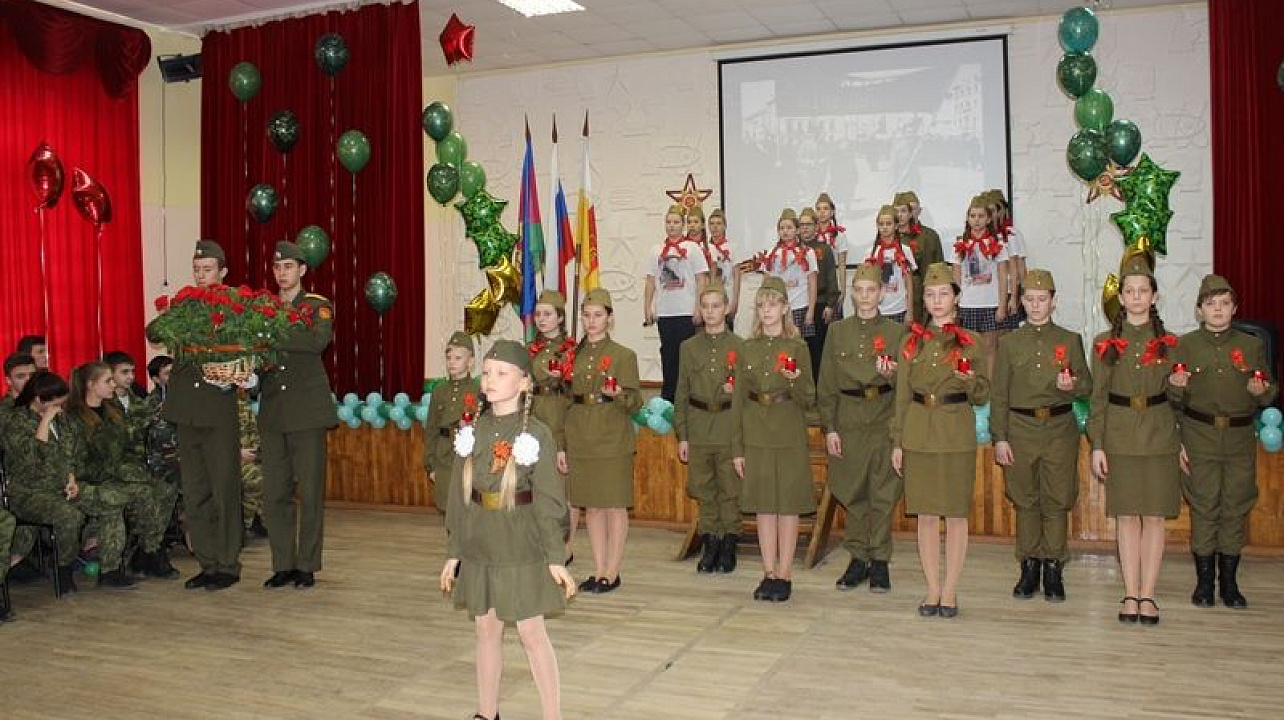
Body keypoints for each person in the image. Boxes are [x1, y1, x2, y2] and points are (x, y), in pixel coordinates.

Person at [439, 340, 574, 720]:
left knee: (532, 633)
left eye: (502, 373)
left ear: (524, 383)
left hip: (520, 544)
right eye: (486, 372)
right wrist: (454, 551)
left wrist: (555, 557)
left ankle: (552, 716)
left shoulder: (537, 434)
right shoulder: (472, 431)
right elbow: (460, 497)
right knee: (486, 630)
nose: (491, 379)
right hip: (481, 542)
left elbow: (548, 501)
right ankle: (487, 712)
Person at [1169, 274, 1277, 609]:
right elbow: (1172, 400)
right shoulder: (1185, 345)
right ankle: (1204, 583)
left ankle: (1229, 583)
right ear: (1199, 310)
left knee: (1235, 506)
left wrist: (1261, 392)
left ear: (1235, 308)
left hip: (1239, 438)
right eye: (1210, 304)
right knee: (1204, 507)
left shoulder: (1251, 345)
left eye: (1224, 303)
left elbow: (1269, 391)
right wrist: (1176, 389)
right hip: (1198, 435)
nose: (1218, 309)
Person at [891, 262, 989, 618]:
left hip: (955, 431)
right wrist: (898, 441)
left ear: (956, 298)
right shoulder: (911, 342)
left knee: (956, 514)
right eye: (930, 295)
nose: (936, 300)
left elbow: (982, 394)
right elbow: (902, 396)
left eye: (943, 294)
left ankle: (950, 589)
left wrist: (968, 379)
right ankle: (932, 587)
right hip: (919, 432)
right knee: (926, 515)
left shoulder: (972, 342)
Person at [146, 239, 245, 591]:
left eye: (208, 270)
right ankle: (207, 561)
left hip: (217, 410)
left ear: (223, 272)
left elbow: (244, 348)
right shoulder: (186, 303)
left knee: (224, 491)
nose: (201, 275)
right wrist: (171, 313)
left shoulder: (234, 307)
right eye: (197, 269)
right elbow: (153, 334)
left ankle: (228, 564)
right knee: (195, 491)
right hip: (186, 410)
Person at [1088, 256, 1181, 626]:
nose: (1137, 297)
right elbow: (1097, 399)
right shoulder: (1104, 343)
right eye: (1130, 291)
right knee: (1127, 517)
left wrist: (1180, 390)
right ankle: (1130, 593)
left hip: (1160, 434)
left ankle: (1149, 594)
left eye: (1144, 291)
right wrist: (1097, 444)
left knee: (1154, 517)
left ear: (1154, 297)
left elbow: (1181, 401)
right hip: (1120, 435)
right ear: (1121, 298)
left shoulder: (1170, 343)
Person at [991, 269, 1092, 602]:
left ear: (1054, 301)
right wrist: (1000, 437)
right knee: (1025, 500)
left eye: (1042, 299)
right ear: (1021, 302)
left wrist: (1072, 385)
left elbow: (1087, 385)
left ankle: (1053, 566)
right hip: (1020, 429)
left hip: (1059, 429)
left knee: (1057, 500)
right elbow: (999, 394)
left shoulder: (1069, 340)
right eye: (1030, 300)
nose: (1036, 306)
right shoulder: (1009, 343)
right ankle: (1029, 565)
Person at [818, 262, 907, 592]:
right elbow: (827, 383)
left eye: (871, 290)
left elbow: (906, 388)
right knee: (852, 491)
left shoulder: (897, 334)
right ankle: (858, 558)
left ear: (882, 294)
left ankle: (880, 560)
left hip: (883, 419)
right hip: (849, 421)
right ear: (852, 294)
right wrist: (830, 427)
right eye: (859, 290)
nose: (865, 296)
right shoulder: (837, 332)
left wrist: (891, 375)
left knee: (883, 494)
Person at [1, 371, 134, 591]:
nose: (60, 407)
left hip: (63, 486)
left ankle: (110, 569)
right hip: (29, 492)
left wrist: (71, 479)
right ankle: (63, 568)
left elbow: (70, 454)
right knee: (70, 515)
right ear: (38, 399)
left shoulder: (62, 420)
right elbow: (34, 457)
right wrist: (45, 421)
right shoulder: (15, 421)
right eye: (55, 403)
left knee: (111, 502)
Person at [257, 241, 337, 590]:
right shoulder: (263, 309)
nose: (282, 273)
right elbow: (259, 354)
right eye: (277, 267)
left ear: (302, 270)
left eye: (288, 266)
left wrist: (272, 333)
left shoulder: (317, 306)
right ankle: (282, 564)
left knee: (310, 492)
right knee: (275, 493)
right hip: (274, 412)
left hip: (307, 412)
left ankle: (306, 565)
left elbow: (316, 342)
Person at [731, 276, 816, 602]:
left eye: (773, 304)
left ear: (784, 308)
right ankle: (768, 572)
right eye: (762, 305)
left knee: (788, 506)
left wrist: (795, 380)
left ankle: (785, 573)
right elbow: (738, 400)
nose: (766, 311)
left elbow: (809, 398)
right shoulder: (747, 348)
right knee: (764, 506)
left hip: (788, 431)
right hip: (756, 432)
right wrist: (737, 448)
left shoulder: (798, 348)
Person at [66, 361, 179, 579]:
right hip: (89, 480)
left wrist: (134, 469)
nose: (113, 385)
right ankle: (118, 564)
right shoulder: (73, 418)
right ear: (90, 384)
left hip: (116, 473)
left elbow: (126, 446)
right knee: (131, 495)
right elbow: (77, 463)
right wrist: (121, 471)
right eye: (108, 381)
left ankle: (149, 551)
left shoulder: (112, 411)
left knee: (162, 488)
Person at [564, 288, 641, 594]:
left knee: (614, 506)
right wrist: (563, 443)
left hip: (612, 437)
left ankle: (613, 570)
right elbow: (566, 401)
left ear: (610, 318)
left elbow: (634, 402)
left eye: (598, 315)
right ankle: (598, 570)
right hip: (580, 435)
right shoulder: (573, 355)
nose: (591, 321)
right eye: (586, 315)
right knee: (592, 508)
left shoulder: (624, 355)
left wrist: (618, 394)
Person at [674, 281, 745, 574]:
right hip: (699, 423)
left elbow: (748, 395)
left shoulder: (740, 346)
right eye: (705, 306)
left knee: (730, 487)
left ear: (726, 308)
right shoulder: (689, 347)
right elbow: (681, 391)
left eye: (716, 306)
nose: (711, 312)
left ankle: (729, 541)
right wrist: (683, 434)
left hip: (728, 423)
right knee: (704, 488)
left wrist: (737, 391)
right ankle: (710, 540)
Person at [527, 290, 575, 563]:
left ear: (560, 318)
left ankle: (565, 548)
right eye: (538, 314)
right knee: (534, 487)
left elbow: (577, 394)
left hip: (558, 419)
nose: (541, 319)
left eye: (548, 314)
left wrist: (563, 379)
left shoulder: (571, 350)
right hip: (533, 419)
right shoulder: (530, 350)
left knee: (561, 490)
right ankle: (540, 543)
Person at [645, 204, 709, 402]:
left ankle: (688, 397)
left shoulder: (693, 248)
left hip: (686, 312)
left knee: (687, 356)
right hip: (665, 313)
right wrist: (647, 307)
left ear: (683, 225)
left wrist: (699, 307)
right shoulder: (656, 250)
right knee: (668, 355)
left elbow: (702, 279)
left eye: (676, 222)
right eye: (668, 222)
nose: (671, 225)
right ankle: (668, 398)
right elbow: (650, 281)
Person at [953, 195, 1011, 379]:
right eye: (973, 216)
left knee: (989, 347)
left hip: (990, 303)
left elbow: (1003, 277)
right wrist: (957, 300)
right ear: (967, 218)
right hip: (968, 304)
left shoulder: (998, 244)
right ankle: (972, 385)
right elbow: (956, 275)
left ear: (988, 219)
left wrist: (1002, 305)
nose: (976, 220)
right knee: (969, 347)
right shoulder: (961, 244)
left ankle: (988, 386)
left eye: (980, 216)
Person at [425, 332, 479, 513]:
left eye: (458, 358)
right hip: (444, 455)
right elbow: (431, 429)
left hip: (469, 456)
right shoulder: (439, 390)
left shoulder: (478, 389)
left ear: (470, 361)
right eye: (449, 358)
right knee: (447, 504)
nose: (452, 362)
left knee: (468, 505)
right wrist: (430, 464)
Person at [759, 209, 818, 351]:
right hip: (778, 308)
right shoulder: (772, 253)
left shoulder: (808, 252)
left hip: (800, 306)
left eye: (789, 227)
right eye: (781, 228)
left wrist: (810, 310)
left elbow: (812, 283)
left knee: (798, 347)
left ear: (797, 230)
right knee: (778, 346)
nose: (785, 231)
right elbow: (766, 282)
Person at [801, 207, 841, 382]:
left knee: (817, 350)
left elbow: (832, 277)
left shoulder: (824, 249)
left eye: (808, 224)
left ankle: (818, 387)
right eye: (801, 224)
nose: (804, 228)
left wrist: (830, 305)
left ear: (816, 226)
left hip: (819, 303)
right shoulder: (793, 250)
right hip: (799, 304)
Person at [892, 191, 944, 324]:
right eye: (896, 211)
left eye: (904, 211)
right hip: (892, 295)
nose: (900, 215)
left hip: (919, 293)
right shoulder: (889, 236)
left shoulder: (929, 236)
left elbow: (937, 269)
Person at [866, 205, 918, 324]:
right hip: (877, 309)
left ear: (896, 226)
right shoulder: (871, 252)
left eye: (888, 224)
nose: (884, 227)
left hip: (899, 308)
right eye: (881, 224)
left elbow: (909, 282)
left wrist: (910, 311)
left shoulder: (905, 250)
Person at [989, 190, 1028, 331]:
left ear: (1002, 210)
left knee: (1006, 333)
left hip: (1010, 291)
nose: (993, 215)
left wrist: (1019, 296)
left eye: (994, 210)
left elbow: (1020, 267)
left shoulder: (1011, 234)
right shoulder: (983, 235)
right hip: (990, 292)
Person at [237, 392, 267, 539]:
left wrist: (255, 453)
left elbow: (255, 434)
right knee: (256, 478)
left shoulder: (243, 406)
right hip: (226, 459)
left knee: (277, 474)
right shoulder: (214, 408)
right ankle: (243, 524)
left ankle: (257, 519)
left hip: (249, 457)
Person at [705, 209, 742, 328]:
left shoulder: (732, 247)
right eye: (712, 223)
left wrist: (735, 302)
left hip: (726, 299)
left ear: (725, 226)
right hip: (708, 302)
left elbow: (737, 276)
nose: (715, 227)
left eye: (719, 223)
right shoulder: (704, 248)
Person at [814, 192, 850, 310]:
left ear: (832, 212)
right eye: (818, 209)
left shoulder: (839, 235)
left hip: (832, 284)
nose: (822, 212)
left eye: (825, 208)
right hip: (814, 284)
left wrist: (843, 290)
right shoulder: (811, 235)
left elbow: (842, 264)